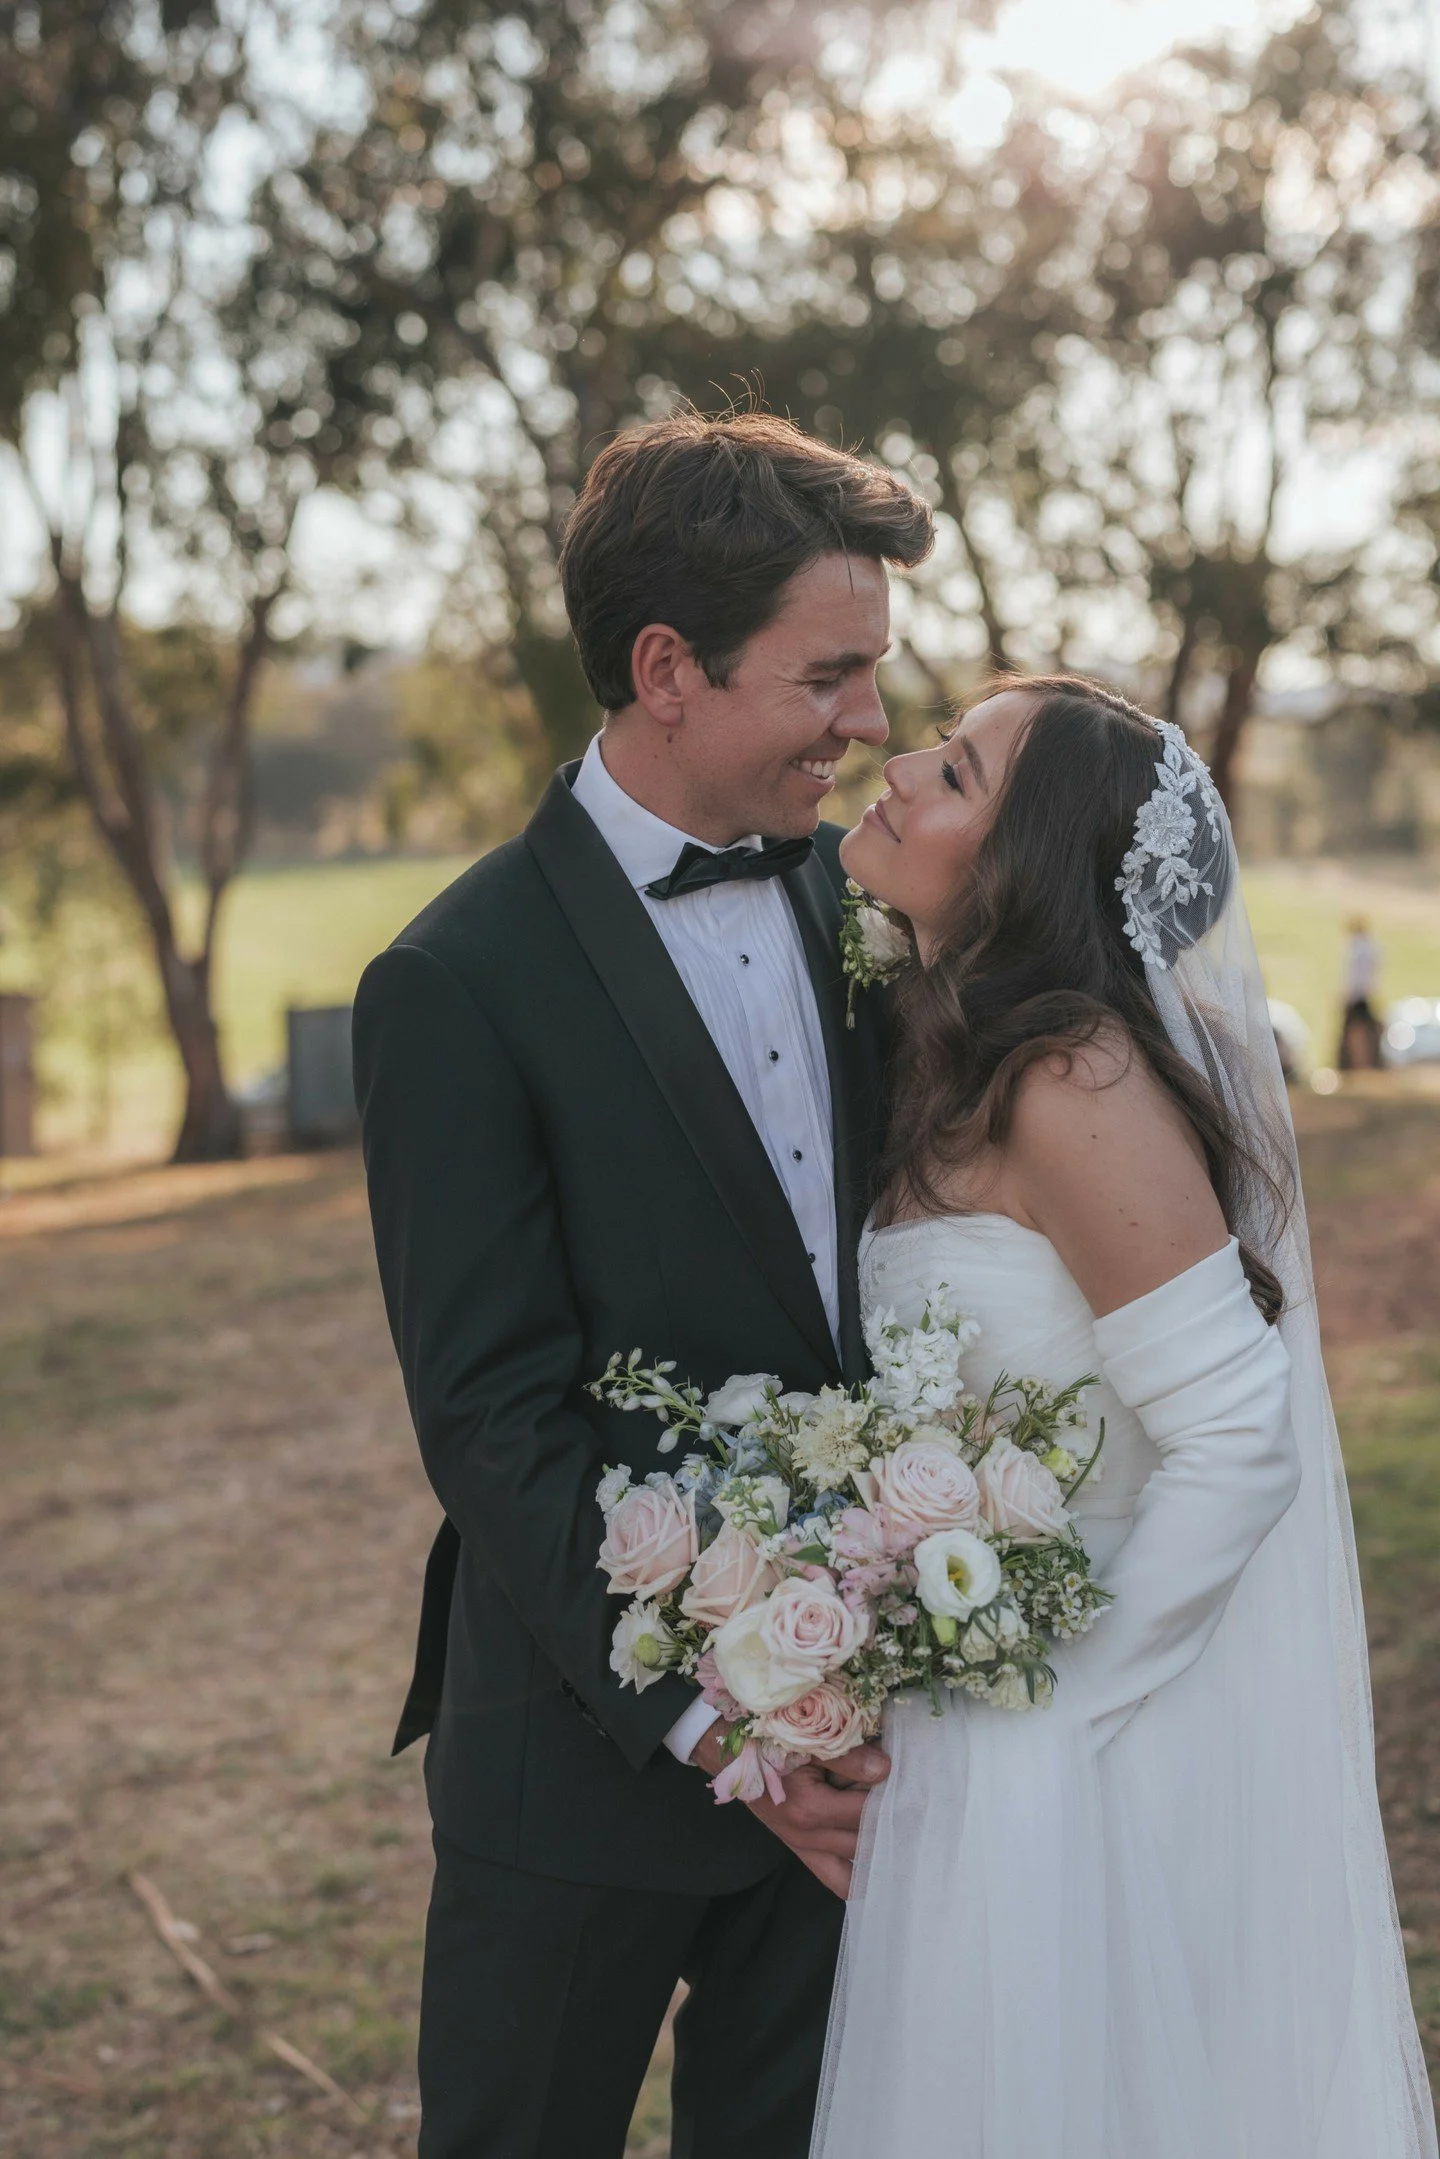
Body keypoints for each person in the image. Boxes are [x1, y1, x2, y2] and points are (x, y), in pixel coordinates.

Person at [352, 410, 933, 2157]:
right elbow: (490, 1416)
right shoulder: (454, 979)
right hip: (587, 1764)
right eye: (831, 675)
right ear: (668, 667)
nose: (872, 722)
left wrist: (833, 1700)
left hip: (849, 1774)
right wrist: (715, 1722)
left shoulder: (872, 895)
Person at [809, 677, 1436, 2159]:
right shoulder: (948, 1052)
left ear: (1027, 863)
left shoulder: (1067, 1076)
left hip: (1078, 1731)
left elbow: (1238, 1429)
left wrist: (1069, 1709)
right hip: (973, 1708)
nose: (897, 766)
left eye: (951, 769)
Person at [1338, 913, 1384, 1070]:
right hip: (1365, 995)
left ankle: (1359, 1066)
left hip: (1358, 996)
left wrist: (1347, 995)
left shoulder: (1358, 949)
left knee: (1356, 1033)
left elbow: (1356, 977)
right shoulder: (1372, 947)